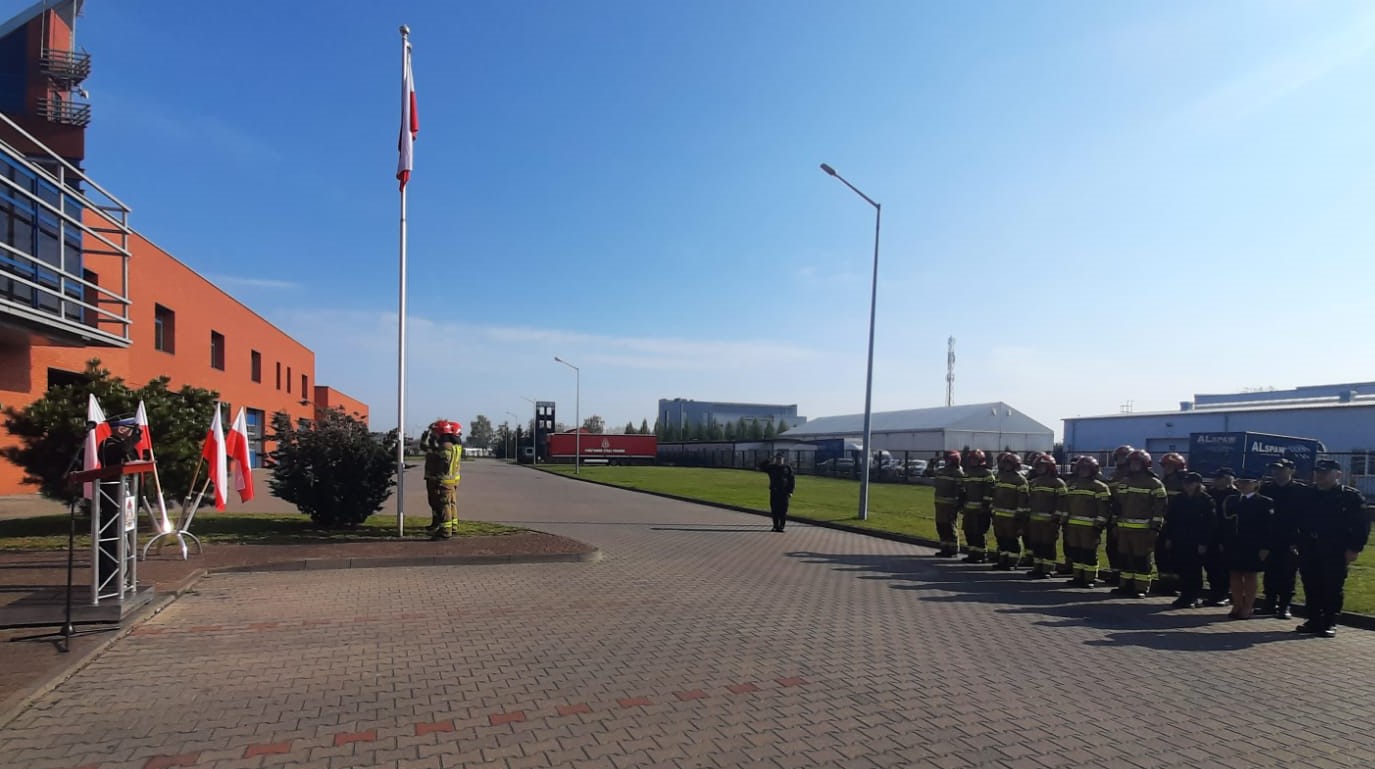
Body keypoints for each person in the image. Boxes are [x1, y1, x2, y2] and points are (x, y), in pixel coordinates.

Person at [1294, 459, 1369, 638]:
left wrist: (1354, 548)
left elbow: (1361, 525)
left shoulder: (1349, 497)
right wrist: (1295, 541)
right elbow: (1296, 519)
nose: (1320, 476)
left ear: (1338, 475)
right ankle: (1313, 620)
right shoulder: (1307, 493)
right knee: (1311, 583)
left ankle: (1329, 622)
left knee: (1332, 585)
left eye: (1325, 472)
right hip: (1310, 546)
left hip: (1335, 547)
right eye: (1318, 472)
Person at [1218, 471, 1273, 619]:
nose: (1243, 485)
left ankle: (1248, 606)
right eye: (1241, 482)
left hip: (1253, 544)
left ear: (1256, 484)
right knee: (1234, 574)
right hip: (1234, 543)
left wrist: (1265, 547)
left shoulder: (1264, 502)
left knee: (1249, 575)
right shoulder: (1232, 500)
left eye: (1247, 482)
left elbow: (1268, 527)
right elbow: (1225, 523)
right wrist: (1223, 541)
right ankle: (1237, 604)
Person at [1112, 449, 1167, 598]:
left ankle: (1141, 587)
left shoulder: (1154, 484)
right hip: (1124, 529)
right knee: (1124, 558)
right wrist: (1115, 524)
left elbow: (1160, 508)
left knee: (1141, 559)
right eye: (1132, 462)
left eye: (1137, 462)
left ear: (1145, 464)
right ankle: (1125, 585)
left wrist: (1154, 529)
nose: (1134, 465)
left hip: (1143, 530)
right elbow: (1117, 505)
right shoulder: (1124, 482)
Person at [1257, 458, 1307, 619]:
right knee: (1269, 572)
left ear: (1291, 470)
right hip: (1270, 537)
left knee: (1288, 573)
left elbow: (1305, 517)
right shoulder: (1266, 489)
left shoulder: (1300, 490)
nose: (1277, 472)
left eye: (1281, 469)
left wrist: (1297, 540)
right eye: (1275, 469)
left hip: (1290, 539)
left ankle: (1285, 606)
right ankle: (1269, 603)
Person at [1161, 471, 1215, 608]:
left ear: (1198, 484)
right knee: (1181, 568)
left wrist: (1203, 542)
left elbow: (1210, 523)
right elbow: (1171, 519)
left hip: (1196, 541)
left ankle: (1193, 596)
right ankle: (1184, 595)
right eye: (1185, 483)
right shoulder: (1179, 499)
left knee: (1194, 570)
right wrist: (1169, 538)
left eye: (1190, 483)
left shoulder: (1206, 500)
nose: (1187, 485)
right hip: (1179, 539)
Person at [1061, 456, 1112, 587]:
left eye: (1087, 469)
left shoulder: (1100, 487)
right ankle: (1077, 577)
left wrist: (1099, 524)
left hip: (1090, 527)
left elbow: (1103, 508)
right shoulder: (1071, 485)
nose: (1083, 471)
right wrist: (1064, 520)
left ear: (1093, 470)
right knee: (1076, 552)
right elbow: (1066, 504)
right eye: (1081, 468)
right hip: (1072, 526)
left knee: (1088, 553)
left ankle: (1089, 578)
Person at [1024, 454, 1067, 579]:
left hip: (1049, 522)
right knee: (1036, 544)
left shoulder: (1058, 483)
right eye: (1038, 466)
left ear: (1050, 467)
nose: (1039, 469)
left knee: (1047, 545)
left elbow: (1062, 502)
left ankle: (1047, 569)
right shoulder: (1034, 482)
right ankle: (1037, 567)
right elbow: (1029, 500)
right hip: (1034, 521)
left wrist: (1056, 517)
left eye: (1042, 466)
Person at [1154, 452, 1189, 597]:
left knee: (1174, 556)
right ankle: (1165, 584)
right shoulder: (1163, 480)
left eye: (1170, 466)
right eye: (1165, 466)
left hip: (1176, 525)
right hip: (1164, 523)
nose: (1166, 468)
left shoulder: (1182, 482)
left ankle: (1175, 586)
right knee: (1161, 555)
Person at [421, 420, 463, 540]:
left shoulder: (444, 447)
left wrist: (437, 476)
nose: (433, 434)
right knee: (449, 504)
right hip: (451, 480)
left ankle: (445, 531)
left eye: (435, 432)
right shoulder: (453, 445)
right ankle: (451, 527)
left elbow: (443, 464)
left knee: (444, 505)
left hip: (443, 480)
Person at [1204, 468, 1239, 606]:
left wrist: (1227, 538)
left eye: (1219, 478)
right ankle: (1214, 593)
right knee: (1210, 565)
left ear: (1228, 479)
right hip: (1210, 535)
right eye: (1216, 478)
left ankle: (1223, 594)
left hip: (1227, 536)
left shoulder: (1235, 495)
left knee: (1224, 567)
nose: (1216, 480)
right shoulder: (1210, 494)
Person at [1103, 444, 1136, 587]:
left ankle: (1129, 578)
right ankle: (1116, 574)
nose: (1121, 459)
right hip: (1114, 517)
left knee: (1128, 550)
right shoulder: (1113, 475)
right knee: (1111, 547)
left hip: (1129, 517)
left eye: (1124, 456)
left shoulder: (1135, 475)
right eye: (1119, 457)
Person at [990, 452, 1030, 570]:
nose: (1007, 466)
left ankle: (1012, 562)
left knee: (1012, 540)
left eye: (1010, 464)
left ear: (1015, 465)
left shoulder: (1020, 480)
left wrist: (1020, 515)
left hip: (1012, 517)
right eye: (1005, 463)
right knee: (1001, 540)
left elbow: (1023, 500)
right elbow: (995, 495)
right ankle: (1003, 560)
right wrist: (993, 510)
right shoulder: (1000, 477)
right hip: (999, 516)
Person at [959, 450, 996, 564]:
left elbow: (990, 491)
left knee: (979, 533)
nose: (973, 461)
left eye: (975, 459)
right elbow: (963, 489)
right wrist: (961, 503)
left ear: (981, 460)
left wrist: (985, 506)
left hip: (981, 510)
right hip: (969, 510)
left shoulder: (987, 474)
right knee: (969, 532)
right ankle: (972, 554)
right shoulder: (968, 473)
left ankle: (981, 555)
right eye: (971, 459)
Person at [930, 450, 965, 557]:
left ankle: (953, 550)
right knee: (941, 526)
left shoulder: (958, 473)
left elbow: (961, 490)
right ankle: (944, 548)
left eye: (948, 460)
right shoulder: (941, 471)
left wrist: (957, 504)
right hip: (939, 504)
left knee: (950, 527)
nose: (946, 462)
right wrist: (931, 463)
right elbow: (929, 473)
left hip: (950, 505)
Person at [758, 452, 796, 532]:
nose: (779, 460)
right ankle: (775, 526)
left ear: (783, 459)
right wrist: (769, 460)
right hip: (774, 492)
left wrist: (791, 491)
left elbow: (792, 480)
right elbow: (760, 466)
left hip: (784, 492)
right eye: (777, 459)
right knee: (774, 509)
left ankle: (781, 526)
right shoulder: (771, 467)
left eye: (780, 459)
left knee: (783, 510)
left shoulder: (787, 468)